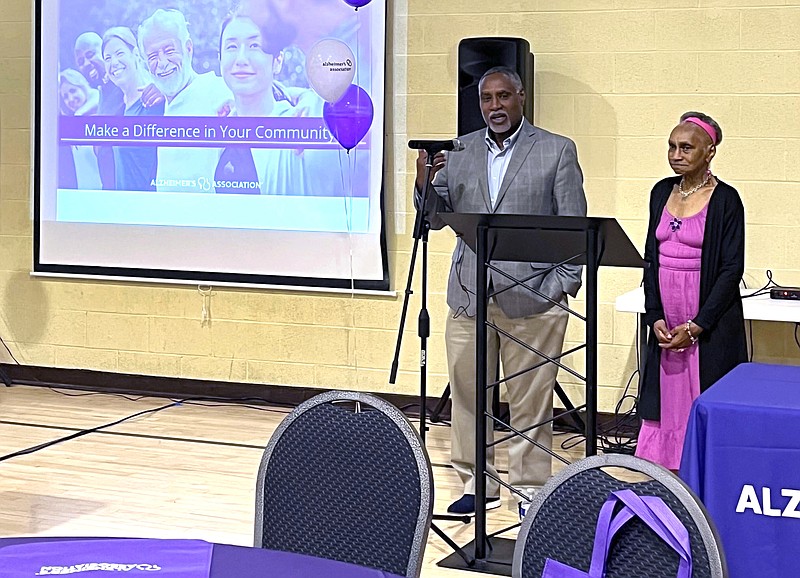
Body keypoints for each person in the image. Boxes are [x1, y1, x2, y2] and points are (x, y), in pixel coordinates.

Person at [415, 66, 587, 516]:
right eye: (487, 98)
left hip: (534, 296)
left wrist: (559, 287)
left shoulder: (555, 150)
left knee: (531, 399)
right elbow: (433, 218)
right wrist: (421, 181)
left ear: (521, 97)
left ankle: (530, 486)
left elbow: (575, 229)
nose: (495, 106)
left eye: (503, 96)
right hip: (470, 295)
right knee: (470, 397)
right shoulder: (459, 152)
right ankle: (478, 484)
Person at [636, 112, 747, 471]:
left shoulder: (726, 199)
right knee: (665, 397)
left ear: (709, 151)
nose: (676, 154)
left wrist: (698, 325)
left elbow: (731, 269)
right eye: (671, 146)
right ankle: (662, 471)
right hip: (666, 316)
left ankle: (701, 469)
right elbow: (650, 259)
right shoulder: (660, 192)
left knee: (702, 390)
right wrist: (653, 315)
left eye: (686, 147)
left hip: (704, 319)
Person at [138, 8, 234, 192]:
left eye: (169, 50)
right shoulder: (159, 105)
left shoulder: (217, 88)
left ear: (188, 48)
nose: (162, 62)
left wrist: (302, 98)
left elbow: (265, 96)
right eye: (152, 56)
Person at [215, 12, 310, 195]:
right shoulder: (217, 126)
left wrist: (303, 98)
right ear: (220, 59)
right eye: (232, 46)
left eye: (255, 46)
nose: (241, 59)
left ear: (278, 60)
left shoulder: (297, 126)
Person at [102, 27, 165, 192]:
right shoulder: (116, 107)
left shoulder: (155, 101)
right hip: (123, 209)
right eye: (107, 58)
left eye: (119, 53)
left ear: (135, 54)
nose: (113, 62)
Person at [58, 69, 102, 191]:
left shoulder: (99, 110)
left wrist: (79, 114)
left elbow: (96, 95)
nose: (70, 99)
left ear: (82, 86)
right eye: (65, 97)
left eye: (73, 90)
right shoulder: (70, 126)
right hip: (84, 195)